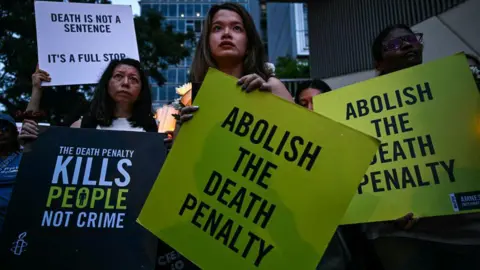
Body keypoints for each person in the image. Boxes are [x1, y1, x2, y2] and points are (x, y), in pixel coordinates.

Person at [368, 24, 480, 270]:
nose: (407, 44)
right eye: (395, 44)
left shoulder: (455, 90)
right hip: (403, 236)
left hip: (465, 230)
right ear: (379, 64)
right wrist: (384, 210)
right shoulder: (362, 112)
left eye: (411, 39)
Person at [179, 2, 293, 123]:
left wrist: (270, 102)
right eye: (217, 28)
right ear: (207, 43)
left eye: (236, 28)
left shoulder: (271, 86)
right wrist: (184, 128)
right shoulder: (192, 97)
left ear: (249, 43)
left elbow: (303, 135)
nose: (226, 33)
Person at [21, 58, 160, 138]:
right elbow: (30, 141)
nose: (125, 83)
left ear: (141, 91)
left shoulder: (155, 130)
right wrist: (37, 90)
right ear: (106, 84)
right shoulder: (81, 126)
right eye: (118, 76)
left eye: (133, 79)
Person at [0, 114, 23, 232]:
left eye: (4, 129)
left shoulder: (26, 158)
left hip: (15, 223)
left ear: (15, 134)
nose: (0, 133)